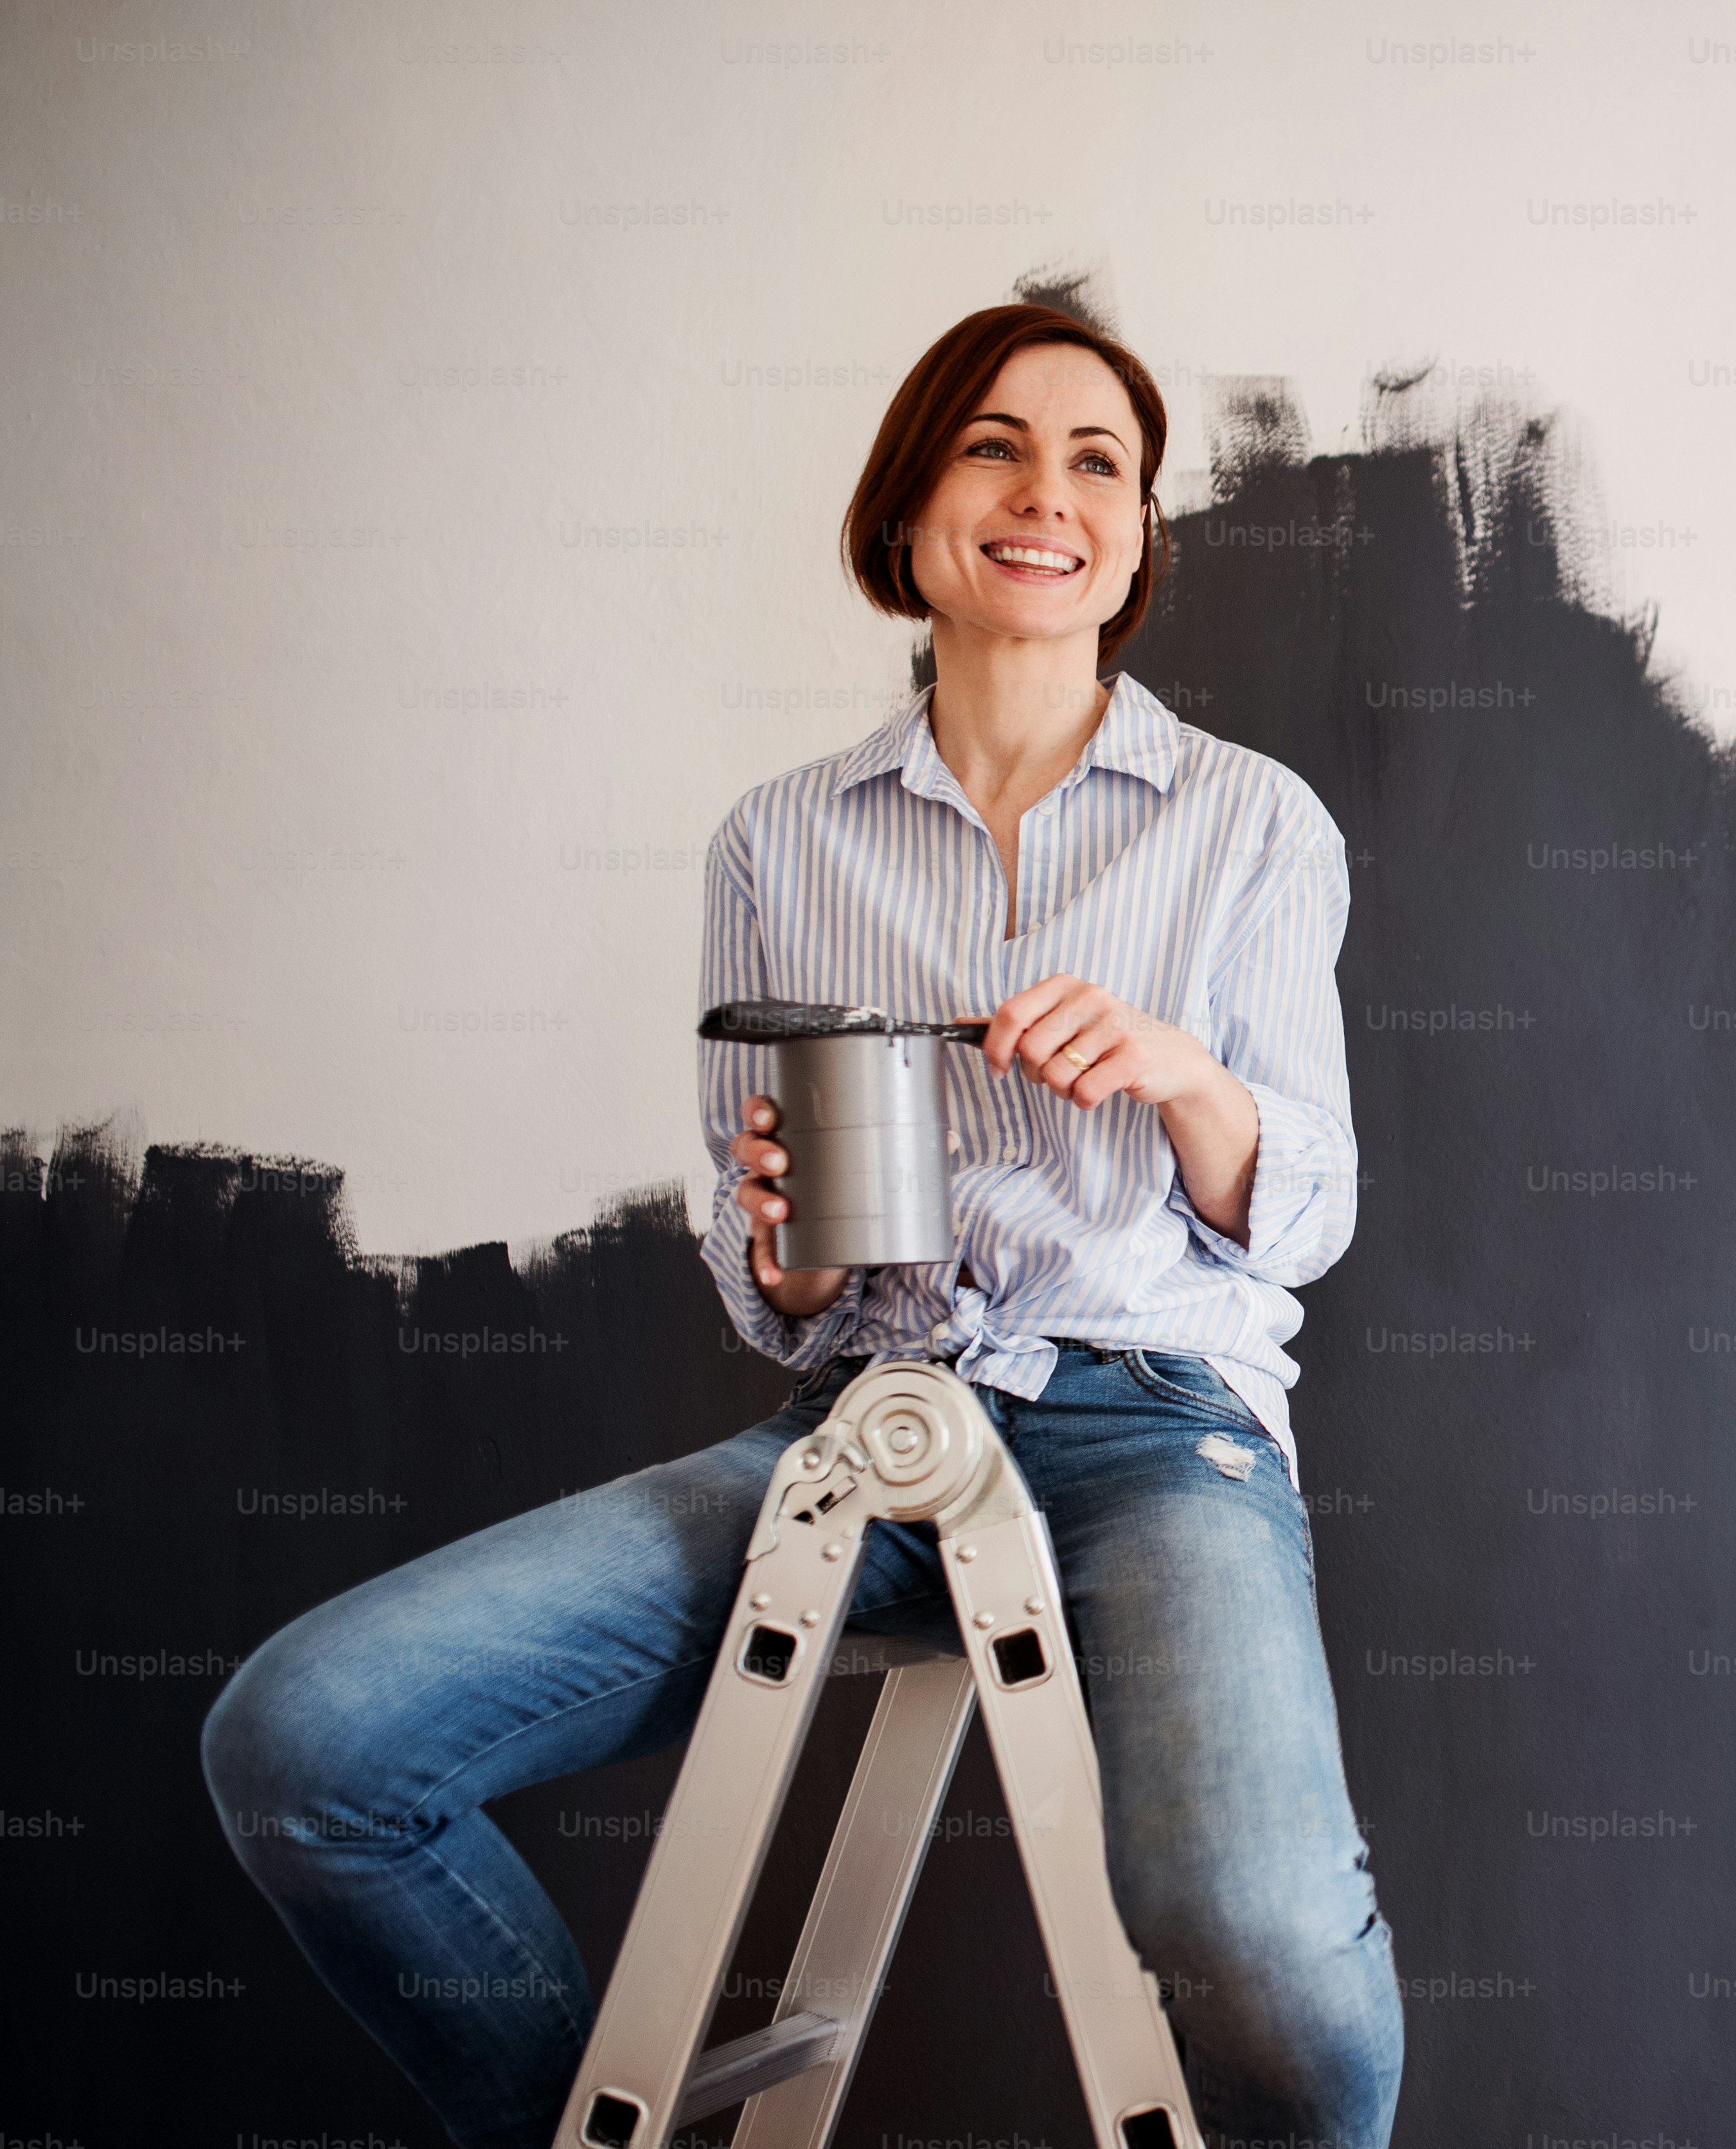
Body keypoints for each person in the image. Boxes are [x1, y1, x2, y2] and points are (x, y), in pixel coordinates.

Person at [200, 301, 1401, 2149]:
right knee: (305, 1748)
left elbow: (1302, 1216)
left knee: (1265, 1960)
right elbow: (768, 1276)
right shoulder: (779, 842)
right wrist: (790, 1257)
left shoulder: (1253, 824)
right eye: (995, 446)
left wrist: (1182, 1076)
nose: (1048, 494)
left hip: (1158, 1431)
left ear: (1137, 538)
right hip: (863, 1429)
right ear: (910, 506)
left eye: (1098, 463)